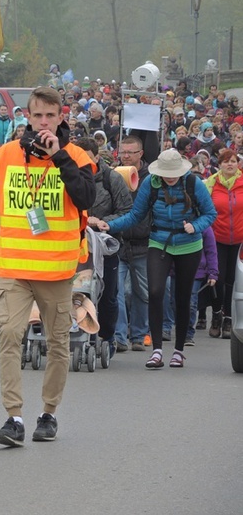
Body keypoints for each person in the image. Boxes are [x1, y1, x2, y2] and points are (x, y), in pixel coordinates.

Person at [0, 86, 96, 446]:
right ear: (27, 116)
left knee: (58, 343)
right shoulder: (6, 155)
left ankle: (48, 414)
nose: (43, 122)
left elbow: (87, 198)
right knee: (9, 334)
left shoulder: (76, 156)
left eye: (50, 116)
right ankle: (13, 417)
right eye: (37, 115)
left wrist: (60, 158)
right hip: (13, 266)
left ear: (61, 117)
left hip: (57, 270)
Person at [97, 149, 216, 368]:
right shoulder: (151, 183)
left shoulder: (193, 183)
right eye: (166, 173)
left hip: (189, 245)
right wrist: (110, 225)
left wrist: (195, 226)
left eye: (174, 173)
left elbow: (210, 214)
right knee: (155, 292)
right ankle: (157, 351)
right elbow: (135, 215)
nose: (170, 177)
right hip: (159, 242)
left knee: (182, 297)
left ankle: (178, 351)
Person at [75, 137, 132, 354]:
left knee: (108, 295)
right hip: (75, 246)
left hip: (105, 246)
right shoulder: (68, 176)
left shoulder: (112, 179)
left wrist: (102, 222)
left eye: (87, 159)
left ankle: (107, 336)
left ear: (97, 157)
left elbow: (127, 211)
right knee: (74, 292)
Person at [114, 136, 152, 352]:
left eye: (130, 152)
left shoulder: (151, 179)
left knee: (141, 293)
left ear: (140, 154)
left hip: (144, 244)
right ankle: (119, 337)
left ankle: (138, 336)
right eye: (123, 152)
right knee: (117, 291)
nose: (126, 155)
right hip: (119, 244)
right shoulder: (114, 176)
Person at [204, 149, 243, 339]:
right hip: (216, 238)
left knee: (232, 280)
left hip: (239, 240)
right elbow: (204, 209)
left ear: (238, 164)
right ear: (219, 165)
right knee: (217, 279)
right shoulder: (210, 184)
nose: (230, 164)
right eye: (226, 161)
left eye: (233, 161)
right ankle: (217, 314)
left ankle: (228, 318)